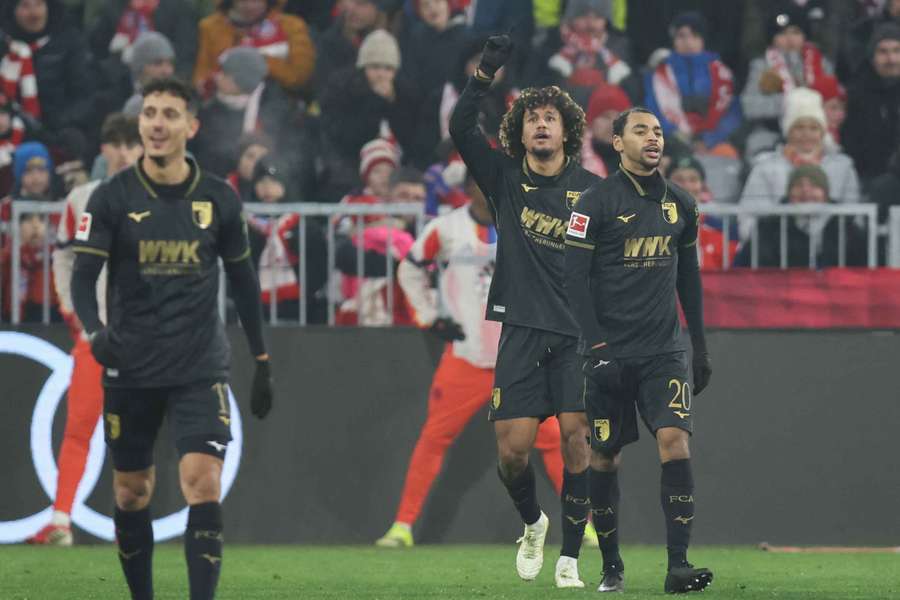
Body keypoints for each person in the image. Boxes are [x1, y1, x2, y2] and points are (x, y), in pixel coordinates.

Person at [70, 77, 274, 600]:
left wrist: (262, 359)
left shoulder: (218, 198)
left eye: (169, 114)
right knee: (131, 491)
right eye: (150, 113)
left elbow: (245, 283)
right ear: (141, 124)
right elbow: (80, 277)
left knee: (202, 483)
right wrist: (95, 332)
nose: (157, 124)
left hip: (198, 367)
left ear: (191, 126)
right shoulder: (112, 196)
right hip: (131, 367)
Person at [449, 34, 600, 588]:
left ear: (566, 131)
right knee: (513, 454)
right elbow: (462, 128)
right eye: (532, 118)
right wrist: (485, 73)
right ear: (521, 130)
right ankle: (533, 523)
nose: (541, 125)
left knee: (577, 437)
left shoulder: (593, 192)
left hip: (577, 336)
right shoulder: (505, 179)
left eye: (550, 119)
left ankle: (568, 557)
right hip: (522, 333)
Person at [375, 173, 578, 548]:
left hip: (520, 358)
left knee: (554, 441)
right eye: (485, 185)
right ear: (470, 189)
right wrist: (429, 315)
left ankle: (586, 527)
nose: (493, 192)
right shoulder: (447, 228)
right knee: (433, 438)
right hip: (466, 358)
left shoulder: (526, 225)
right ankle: (402, 527)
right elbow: (409, 267)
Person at [563, 107, 713, 593]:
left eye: (658, 131)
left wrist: (700, 346)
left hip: (663, 351)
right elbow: (573, 279)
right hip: (608, 354)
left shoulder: (682, 204)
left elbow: (688, 277)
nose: (653, 138)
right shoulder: (593, 203)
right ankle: (611, 565)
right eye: (641, 131)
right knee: (604, 458)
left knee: (675, 441)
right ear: (618, 141)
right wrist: (597, 345)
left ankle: (678, 566)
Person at [24, 114, 144, 546]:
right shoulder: (81, 198)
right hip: (97, 335)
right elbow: (63, 257)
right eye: (119, 144)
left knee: (138, 430)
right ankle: (61, 520)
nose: (125, 152)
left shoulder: (162, 199)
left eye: (132, 144)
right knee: (80, 426)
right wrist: (75, 313)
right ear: (106, 149)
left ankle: (129, 521)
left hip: (145, 336)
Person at [643, 11, 742, 158]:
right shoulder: (660, 72)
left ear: (703, 39)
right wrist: (676, 136)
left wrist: (709, 140)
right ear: (674, 39)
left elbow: (732, 113)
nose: (688, 42)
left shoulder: (721, 73)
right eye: (681, 36)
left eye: (694, 36)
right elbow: (651, 109)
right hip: (669, 142)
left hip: (714, 143)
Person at [734, 164, 868, 268]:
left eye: (814, 185)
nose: (806, 191)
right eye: (798, 185)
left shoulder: (846, 227)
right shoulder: (768, 228)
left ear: (826, 194)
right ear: (789, 193)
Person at [193, 0, 315, 94]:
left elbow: (301, 76)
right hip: (224, 108)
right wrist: (214, 83)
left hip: (278, 105)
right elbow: (201, 76)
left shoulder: (292, 26)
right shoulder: (210, 27)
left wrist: (259, 64)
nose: (250, 6)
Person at [841, 23, 900, 184]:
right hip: (868, 181)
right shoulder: (856, 95)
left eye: (897, 50)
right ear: (872, 57)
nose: (891, 59)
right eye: (883, 52)